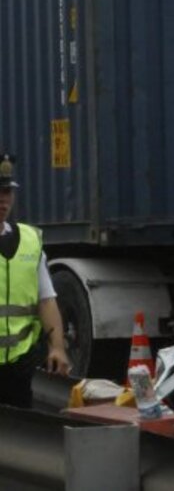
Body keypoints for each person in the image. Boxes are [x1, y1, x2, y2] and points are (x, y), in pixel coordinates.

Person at [0, 153, 70, 408]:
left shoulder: (30, 241)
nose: (3, 198)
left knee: (17, 437)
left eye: (7, 191)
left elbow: (46, 301)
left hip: (19, 366)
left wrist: (57, 348)